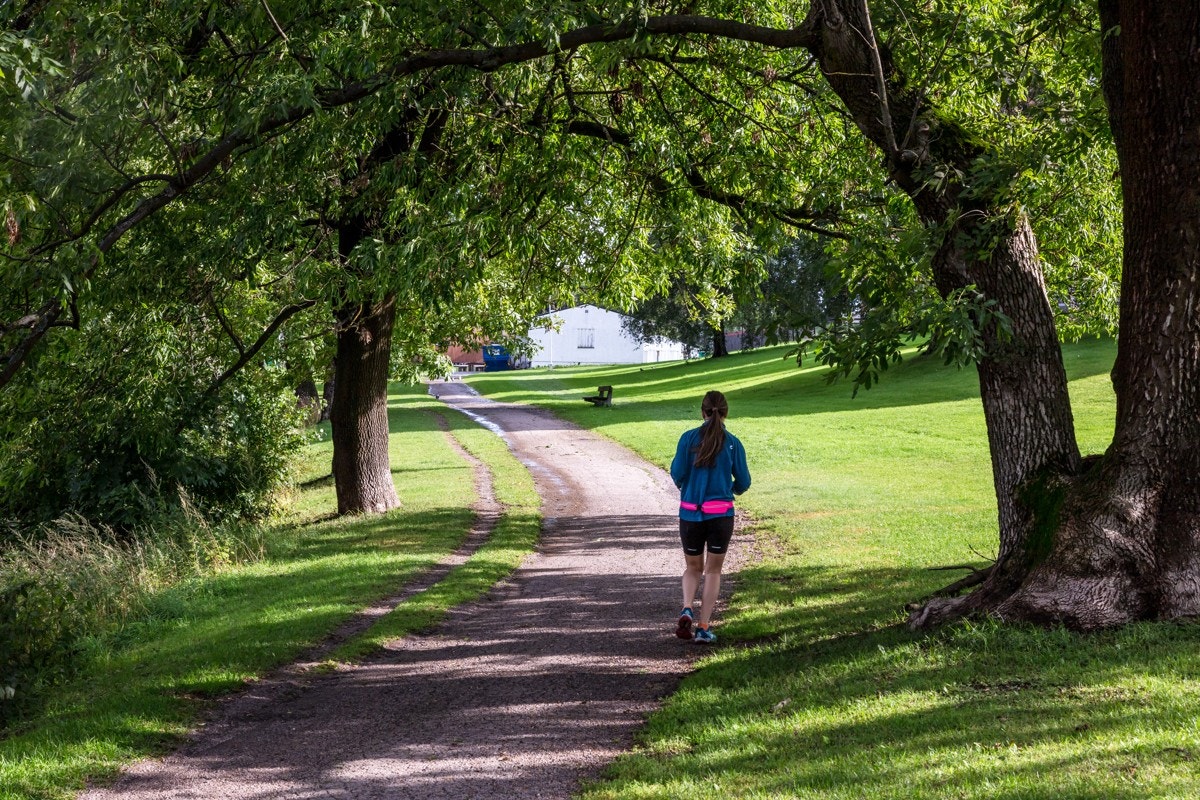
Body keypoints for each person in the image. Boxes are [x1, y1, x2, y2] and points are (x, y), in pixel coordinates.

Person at [670, 390, 751, 644]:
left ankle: (686, 608)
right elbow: (744, 481)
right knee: (713, 571)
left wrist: (689, 488)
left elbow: (677, 473)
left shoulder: (687, 438)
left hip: (690, 514)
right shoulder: (733, 443)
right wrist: (730, 491)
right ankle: (703, 627)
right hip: (721, 516)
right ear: (725, 413)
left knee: (692, 567)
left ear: (702, 411)